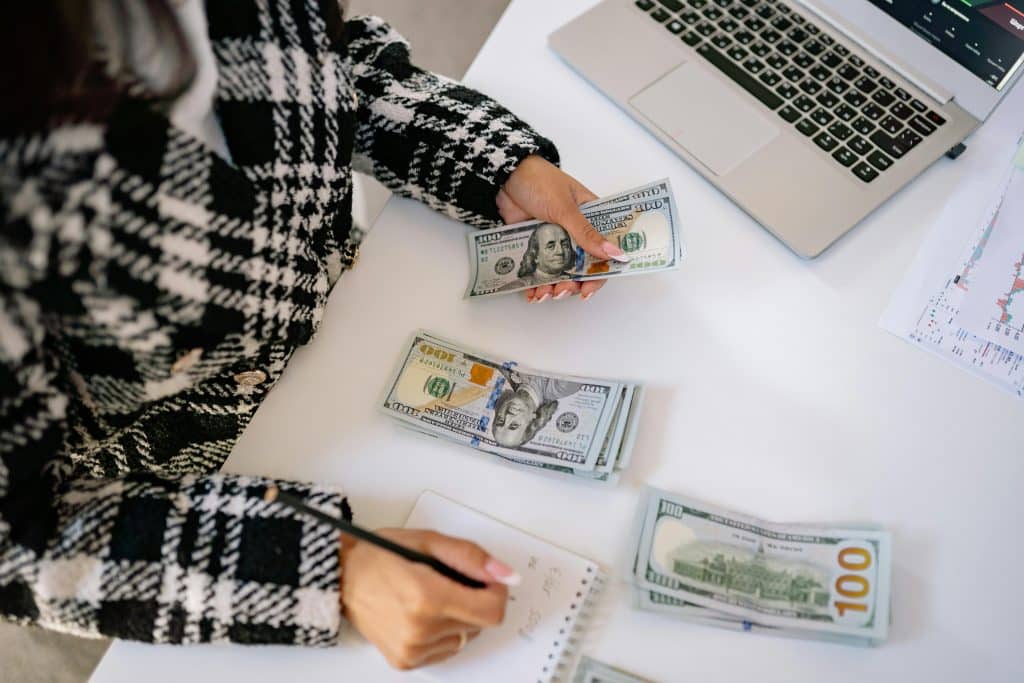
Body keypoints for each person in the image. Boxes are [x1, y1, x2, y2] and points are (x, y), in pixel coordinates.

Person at [0, 0, 631, 671]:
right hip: (170, 497)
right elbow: (18, 540)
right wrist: (328, 570)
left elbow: (328, 66)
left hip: (358, 318)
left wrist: (494, 164)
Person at [492, 370, 582, 449]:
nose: (508, 416)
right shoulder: (561, 387)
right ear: (533, 420)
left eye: (500, 421)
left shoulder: (505, 370)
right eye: (514, 425)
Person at [498, 222, 576, 291]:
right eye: (550, 246)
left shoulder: (579, 280)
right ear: (535, 255)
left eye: (565, 245)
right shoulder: (516, 287)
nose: (560, 251)